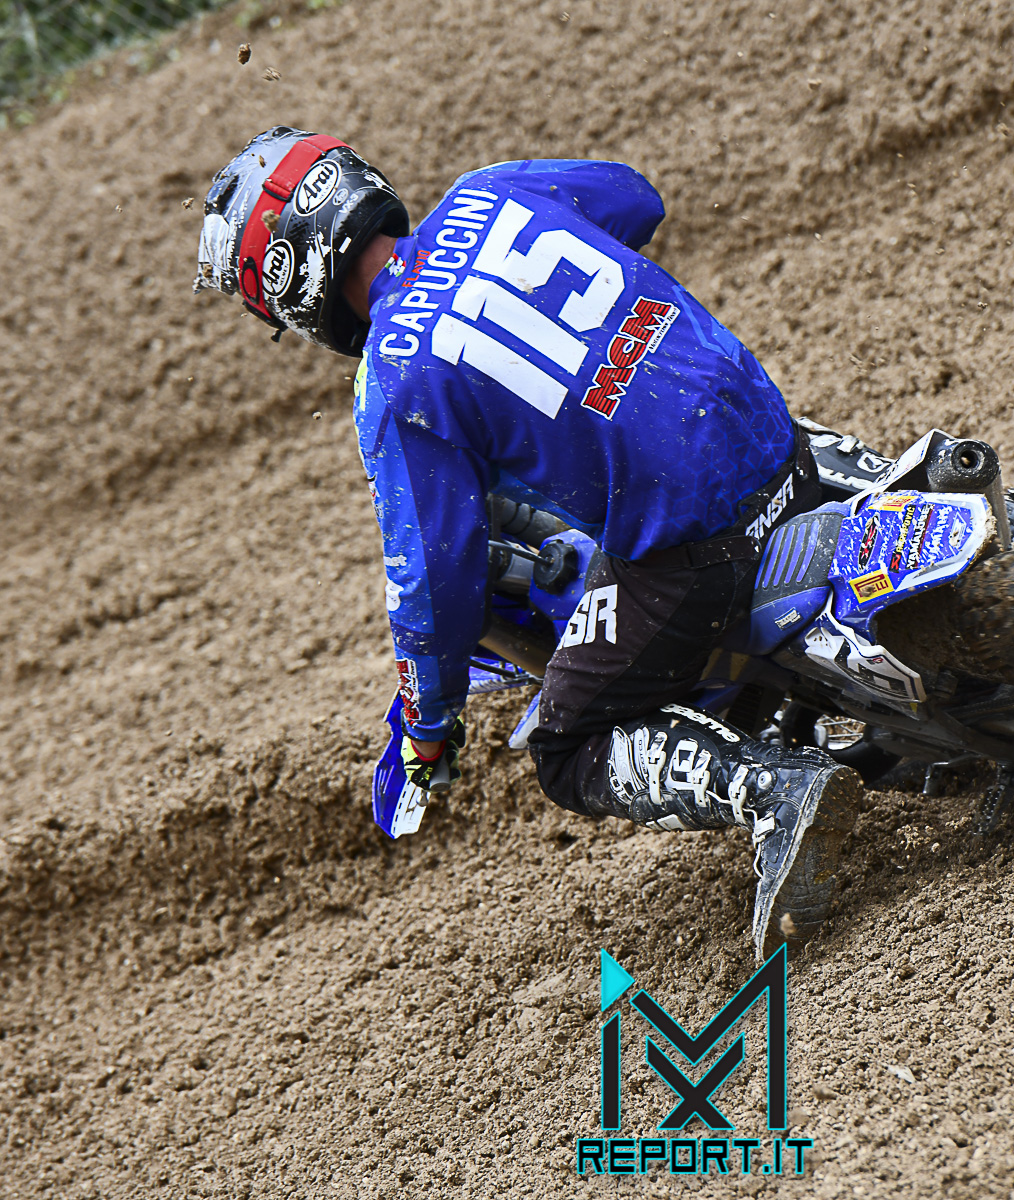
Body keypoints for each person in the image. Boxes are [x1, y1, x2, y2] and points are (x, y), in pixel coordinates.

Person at [194, 127, 862, 960]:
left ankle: (775, 792)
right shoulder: (487, 192)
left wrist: (427, 725)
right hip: (771, 431)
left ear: (292, 286)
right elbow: (636, 197)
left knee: (566, 744)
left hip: (697, 544)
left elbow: (434, 580)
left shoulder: (393, 380)